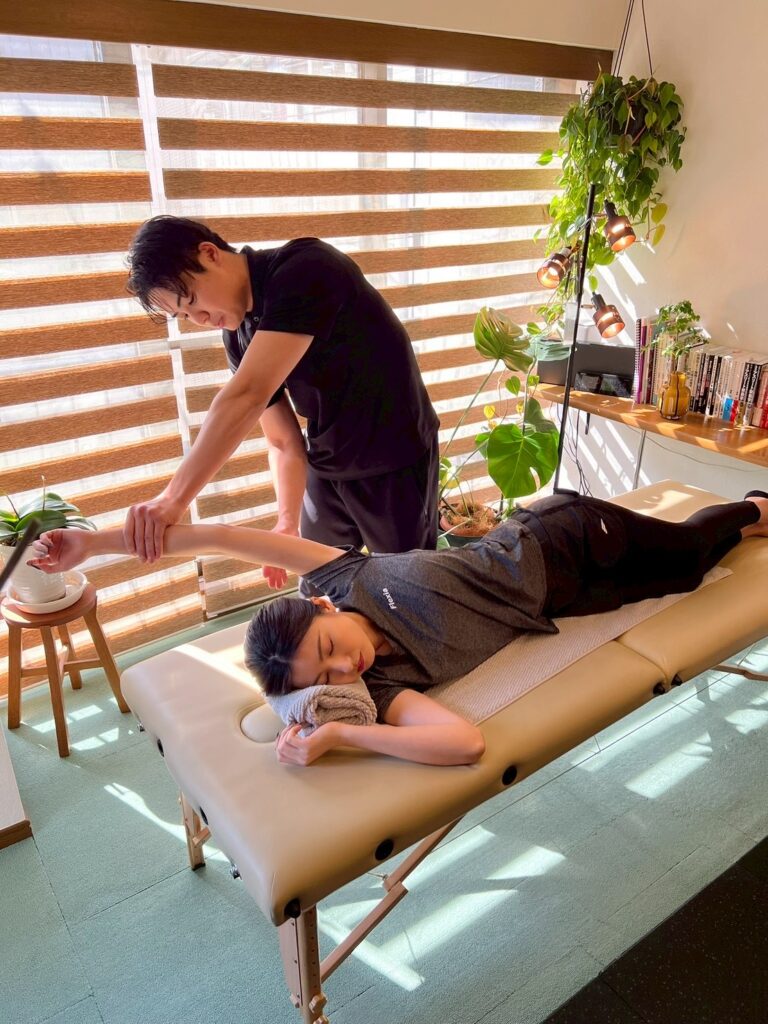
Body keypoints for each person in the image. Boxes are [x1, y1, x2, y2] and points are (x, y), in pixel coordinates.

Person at [30, 490, 768, 767]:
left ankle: (755, 508)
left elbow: (221, 537)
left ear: (322, 612)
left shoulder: (340, 578)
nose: (342, 670)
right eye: (323, 679)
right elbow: (464, 744)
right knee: (679, 576)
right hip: (564, 603)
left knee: (688, 554)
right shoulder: (381, 690)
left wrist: (94, 546)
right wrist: (343, 735)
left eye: (327, 651)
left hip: (560, 537)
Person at [124, 216, 440, 587]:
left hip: (393, 458)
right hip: (326, 461)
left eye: (191, 300)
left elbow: (247, 395)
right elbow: (281, 440)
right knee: (320, 590)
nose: (200, 319)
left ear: (209, 254)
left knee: (405, 592)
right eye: (184, 315)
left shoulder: (304, 268)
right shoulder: (239, 335)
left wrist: (173, 500)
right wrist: (286, 521)